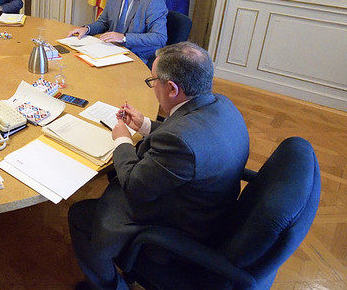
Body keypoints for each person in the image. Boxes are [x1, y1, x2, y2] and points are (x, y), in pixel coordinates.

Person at [67, 42, 250, 290]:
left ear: (172, 88)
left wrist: (121, 139)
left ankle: (110, 287)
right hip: (211, 204)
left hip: (181, 227)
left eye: (153, 81)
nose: (153, 87)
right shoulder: (222, 105)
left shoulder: (181, 143)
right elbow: (188, 135)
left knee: (80, 216)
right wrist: (144, 126)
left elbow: (133, 185)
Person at [68, 0, 167, 64]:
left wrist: (124, 38)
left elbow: (159, 37)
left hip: (136, 57)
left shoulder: (153, 0)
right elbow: (104, 22)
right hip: (110, 50)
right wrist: (87, 29)